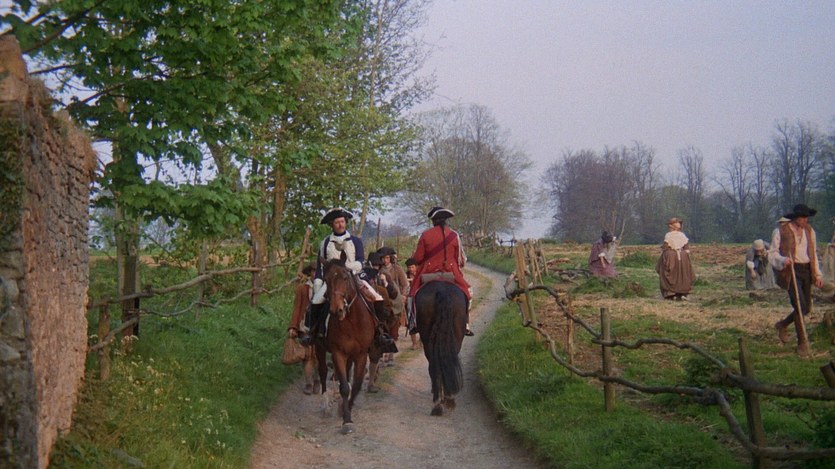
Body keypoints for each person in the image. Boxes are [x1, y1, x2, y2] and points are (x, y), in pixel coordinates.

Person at [303, 207, 393, 347]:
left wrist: (347, 268)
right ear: (332, 225)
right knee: (316, 301)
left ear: (345, 222)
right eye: (337, 222)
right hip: (332, 281)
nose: (340, 225)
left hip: (354, 276)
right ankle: (312, 333)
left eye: (342, 222)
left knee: (377, 297)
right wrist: (318, 283)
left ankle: (380, 333)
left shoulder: (355, 241)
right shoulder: (325, 242)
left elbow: (360, 261)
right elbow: (321, 266)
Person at [409, 206, 474, 336]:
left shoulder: (425, 235)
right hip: (451, 274)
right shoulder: (454, 235)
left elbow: (418, 258)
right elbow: (461, 260)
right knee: (468, 294)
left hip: (428, 274)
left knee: (412, 296)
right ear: (446, 220)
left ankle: (414, 323)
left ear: (433, 220)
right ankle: (466, 323)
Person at [770, 204, 824, 345]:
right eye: (803, 217)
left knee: (807, 308)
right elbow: (772, 253)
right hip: (791, 271)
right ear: (795, 218)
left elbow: (813, 254)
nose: (806, 220)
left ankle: (782, 324)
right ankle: (802, 342)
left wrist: (817, 274)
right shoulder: (781, 231)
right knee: (799, 306)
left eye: (807, 217)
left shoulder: (810, 231)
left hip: (806, 271)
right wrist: (783, 260)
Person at [287, 263, 320, 395]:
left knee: (318, 355)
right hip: (304, 324)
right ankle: (308, 383)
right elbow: (297, 308)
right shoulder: (302, 289)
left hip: (319, 325)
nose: (315, 274)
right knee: (307, 355)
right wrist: (293, 326)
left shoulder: (325, 287)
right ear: (310, 272)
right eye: (313, 271)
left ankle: (317, 380)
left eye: (318, 271)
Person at [364, 252, 400, 359]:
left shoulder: (384, 275)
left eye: (377, 265)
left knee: (388, 321)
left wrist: (385, 283)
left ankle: (385, 339)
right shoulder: (362, 275)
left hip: (384, 307)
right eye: (374, 265)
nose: (376, 267)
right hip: (367, 305)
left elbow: (394, 294)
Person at [655, 217, 696, 300]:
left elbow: (665, 246)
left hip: (671, 256)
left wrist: (663, 249)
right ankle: (682, 292)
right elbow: (686, 247)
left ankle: (670, 292)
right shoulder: (682, 235)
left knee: (667, 271)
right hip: (683, 256)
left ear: (672, 226)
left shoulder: (669, 235)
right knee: (683, 273)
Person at [404, 257, 421, 349]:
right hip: (410, 300)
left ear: (416, 267)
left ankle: (421, 340)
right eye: (409, 267)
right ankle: (414, 343)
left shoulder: (420, 275)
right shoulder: (405, 276)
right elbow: (404, 287)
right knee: (411, 320)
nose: (411, 269)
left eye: (412, 267)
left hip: (420, 299)